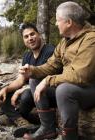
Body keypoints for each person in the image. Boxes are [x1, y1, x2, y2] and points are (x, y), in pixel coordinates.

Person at [19, 1, 95, 140]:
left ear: (69, 22)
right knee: (35, 80)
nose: (55, 24)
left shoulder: (91, 39)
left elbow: (81, 75)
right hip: (72, 87)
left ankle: (69, 137)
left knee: (63, 89)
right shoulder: (64, 41)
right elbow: (52, 65)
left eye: (58, 20)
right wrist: (33, 70)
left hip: (89, 89)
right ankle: (47, 128)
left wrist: (48, 80)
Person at [0, 23, 55, 129]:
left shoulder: (50, 51)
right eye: (26, 36)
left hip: (48, 91)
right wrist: (6, 88)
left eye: (32, 34)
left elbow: (47, 80)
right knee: (2, 95)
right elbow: (20, 80)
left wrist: (22, 90)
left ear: (39, 35)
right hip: (32, 93)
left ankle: (17, 117)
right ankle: (23, 121)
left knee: (26, 95)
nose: (30, 38)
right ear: (24, 40)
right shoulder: (27, 56)